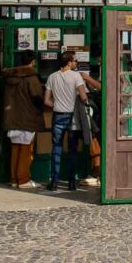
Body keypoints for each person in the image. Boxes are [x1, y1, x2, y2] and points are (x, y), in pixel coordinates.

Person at [44, 51, 88, 191]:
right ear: (69, 63)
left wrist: (57, 105)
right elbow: (83, 97)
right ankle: (71, 182)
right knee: (72, 150)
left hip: (57, 115)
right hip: (72, 117)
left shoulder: (52, 77)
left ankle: (54, 181)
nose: (76, 63)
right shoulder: (76, 76)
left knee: (56, 149)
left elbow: (46, 100)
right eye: (75, 61)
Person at [2, 50, 45, 189]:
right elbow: (38, 97)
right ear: (32, 62)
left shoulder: (9, 77)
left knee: (15, 148)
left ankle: (14, 178)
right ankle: (23, 179)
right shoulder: (31, 77)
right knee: (25, 149)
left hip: (12, 117)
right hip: (27, 117)